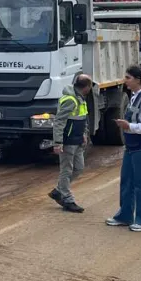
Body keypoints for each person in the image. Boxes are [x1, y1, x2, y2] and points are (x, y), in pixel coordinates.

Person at [107, 65, 141, 232]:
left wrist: (130, 126)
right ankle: (125, 216)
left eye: (128, 77)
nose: (125, 80)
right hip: (132, 147)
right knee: (127, 182)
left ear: (138, 80)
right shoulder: (134, 96)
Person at [49, 73, 93, 213]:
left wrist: (84, 134)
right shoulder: (71, 100)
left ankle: (58, 190)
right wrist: (57, 142)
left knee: (79, 168)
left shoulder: (80, 98)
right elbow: (59, 122)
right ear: (86, 87)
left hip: (78, 140)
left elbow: (82, 118)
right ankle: (67, 199)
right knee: (66, 170)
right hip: (68, 141)